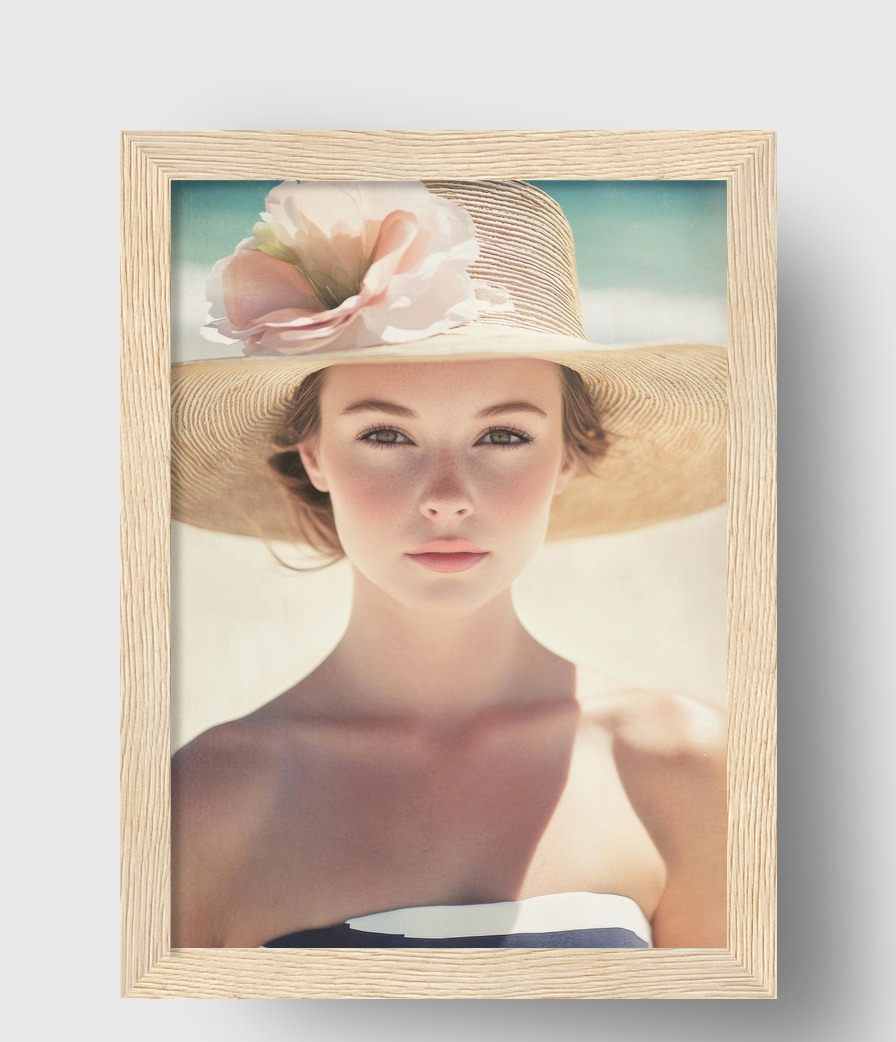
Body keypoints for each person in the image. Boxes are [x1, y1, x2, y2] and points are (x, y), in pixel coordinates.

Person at [170, 178, 727, 951]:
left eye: (502, 436)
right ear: (314, 454)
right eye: (385, 436)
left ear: (567, 456)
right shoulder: (199, 800)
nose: (445, 498)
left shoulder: (684, 766)